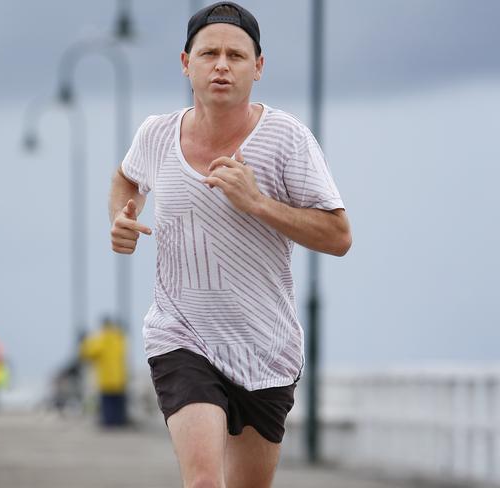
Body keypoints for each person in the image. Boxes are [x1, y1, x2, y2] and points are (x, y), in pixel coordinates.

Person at [108, 2, 352, 486]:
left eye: (236, 56)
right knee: (203, 482)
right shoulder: (156, 135)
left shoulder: (286, 141)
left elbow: (339, 236)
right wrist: (121, 217)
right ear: (186, 63)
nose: (222, 65)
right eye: (209, 53)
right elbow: (125, 177)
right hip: (182, 335)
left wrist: (258, 202)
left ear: (258, 67)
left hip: (266, 348)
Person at [79, 317, 128, 426]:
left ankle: (109, 422)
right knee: (118, 403)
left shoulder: (100, 339)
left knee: (107, 404)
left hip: (106, 378)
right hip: (119, 377)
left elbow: (88, 353)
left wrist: (83, 342)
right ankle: (119, 421)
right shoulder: (119, 337)